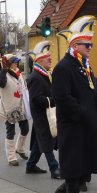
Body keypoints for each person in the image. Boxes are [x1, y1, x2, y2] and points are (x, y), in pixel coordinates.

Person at [52, 16, 97, 193]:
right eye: (87, 44)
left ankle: (63, 192)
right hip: (73, 127)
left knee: (85, 168)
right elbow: (63, 99)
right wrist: (84, 114)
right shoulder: (62, 68)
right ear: (74, 45)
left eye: (91, 44)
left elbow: (87, 90)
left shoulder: (84, 66)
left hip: (86, 125)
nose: (90, 48)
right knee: (75, 168)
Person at [26, 40, 60, 179]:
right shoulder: (35, 77)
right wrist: (53, 100)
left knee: (39, 140)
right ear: (39, 61)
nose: (51, 60)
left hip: (46, 113)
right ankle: (54, 168)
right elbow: (35, 99)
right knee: (46, 139)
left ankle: (30, 165)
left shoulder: (44, 74)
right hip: (41, 114)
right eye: (48, 58)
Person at [0, 54, 29, 166]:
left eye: (17, 62)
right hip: (9, 107)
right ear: (7, 63)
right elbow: (2, 84)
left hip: (21, 107)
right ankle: (11, 157)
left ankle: (20, 149)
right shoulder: (3, 73)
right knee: (10, 131)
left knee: (25, 129)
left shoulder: (18, 73)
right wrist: (3, 70)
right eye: (14, 62)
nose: (16, 64)